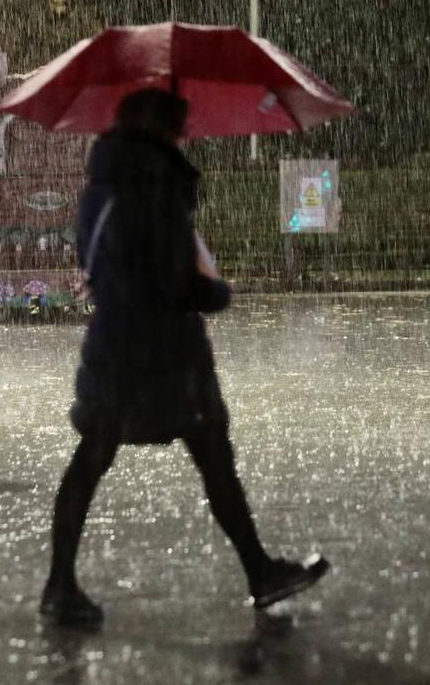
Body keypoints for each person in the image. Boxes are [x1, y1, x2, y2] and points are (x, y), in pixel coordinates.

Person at [40, 88, 329, 628]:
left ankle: (60, 582)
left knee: (93, 457)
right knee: (211, 457)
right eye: (179, 127)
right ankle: (258, 571)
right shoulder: (154, 187)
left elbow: (101, 262)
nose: (185, 135)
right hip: (165, 351)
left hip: (114, 342)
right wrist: (215, 294)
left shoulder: (101, 188)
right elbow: (176, 281)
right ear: (164, 130)